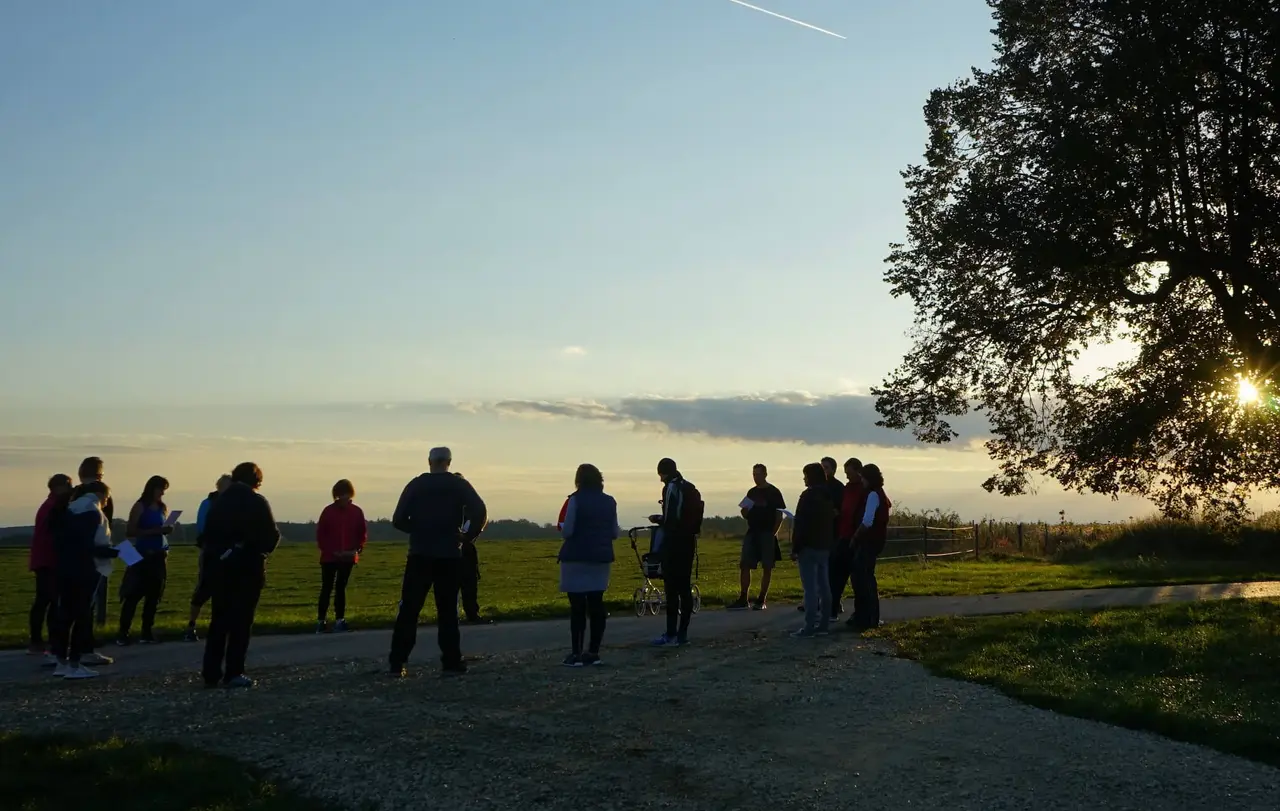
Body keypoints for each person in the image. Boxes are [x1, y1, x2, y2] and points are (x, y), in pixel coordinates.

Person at [388, 447, 489, 677]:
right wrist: (468, 536)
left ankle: (397, 662)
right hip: (449, 554)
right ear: (449, 462)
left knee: (409, 609)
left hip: (420, 554)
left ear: (429, 461)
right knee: (448, 611)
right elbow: (480, 511)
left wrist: (418, 529)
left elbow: (398, 519)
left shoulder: (416, 485)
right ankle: (451, 661)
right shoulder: (459, 485)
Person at [201, 462, 282, 688]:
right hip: (248, 568)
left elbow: (207, 535)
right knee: (242, 622)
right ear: (256, 481)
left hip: (220, 568)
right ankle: (234, 671)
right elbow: (271, 536)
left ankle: (211, 671)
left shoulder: (219, 502)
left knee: (219, 620)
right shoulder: (257, 502)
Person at [49, 481, 119, 679]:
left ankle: (61, 662)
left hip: (64, 567)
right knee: (82, 617)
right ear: (100, 494)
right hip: (86, 569)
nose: (107, 502)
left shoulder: (71, 508)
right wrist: (114, 552)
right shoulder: (92, 511)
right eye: (107, 497)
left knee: (65, 616)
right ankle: (75, 664)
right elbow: (87, 546)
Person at [556, 463, 618, 667]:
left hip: (576, 557)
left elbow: (567, 531)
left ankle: (576, 653)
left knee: (577, 607)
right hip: (600, 558)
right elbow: (614, 532)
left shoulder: (575, 500)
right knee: (596, 604)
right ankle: (593, 652)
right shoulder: (610, 501)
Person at [648, 457, 700, 648]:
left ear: (664, 473)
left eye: (660, 474)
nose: (660, 479)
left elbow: (671, 518)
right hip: (688, 541)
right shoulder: (689, 487)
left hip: (673, 542)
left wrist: (657, 519)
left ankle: (670, 633)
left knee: (671, 589)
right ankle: (682, 634)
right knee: (684, 587)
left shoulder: (671, 488)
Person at [117, 475, 173, 645]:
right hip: (142, 555)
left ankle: (146, 632)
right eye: (160, 489)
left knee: (154, 596)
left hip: (159, 555)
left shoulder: (162, 507)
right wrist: (154, 531)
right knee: (133, 595)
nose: (162, 493)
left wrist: (166, 530)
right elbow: (130, 531)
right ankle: (123, 633)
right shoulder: (140, 506)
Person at [74, 457, 114, 667]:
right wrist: (111, 551)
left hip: (74, 561)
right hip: (92, 562)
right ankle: (83, 651)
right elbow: (93, 539)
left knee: (76, 608)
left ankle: (69, 652)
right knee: (86, 607)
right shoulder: (92, 508)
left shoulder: (74, 498)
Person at [728, 464, 785, 611]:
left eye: (758, 474)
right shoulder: (752, 492)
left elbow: (779, 515)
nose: (755, 477)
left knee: (767, 566)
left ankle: (761, 599)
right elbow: (746, 513)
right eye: (754, 474)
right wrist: (744, 512)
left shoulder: (774, 492)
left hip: (767, 532)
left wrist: (773, 533)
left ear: (765, 474)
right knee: (745, 564)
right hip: (752, 531)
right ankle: (743, 598)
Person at [28, 474, 72, 657]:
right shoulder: (54, 507)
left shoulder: (48, 505)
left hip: (42, 559)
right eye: (68, 486)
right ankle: (46, 641)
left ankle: (38, 640)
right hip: (49, 560)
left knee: (43, 601)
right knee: (51, 602)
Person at [315, 478, 367, 633]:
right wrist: (331, 551)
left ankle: (339, 619)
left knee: (340, 588)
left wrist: (357, 549)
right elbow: (321, 535)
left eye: (346, 494)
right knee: (327, 587)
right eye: (340, 494)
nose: (343, 497)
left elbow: (362, 533)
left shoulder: (356, 512)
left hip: (347, 557)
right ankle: (321, 621)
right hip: (329, 557)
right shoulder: (328, 511)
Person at [186, 474, 232, 642]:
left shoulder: (233, 504)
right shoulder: (208, 503)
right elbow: (202, 527)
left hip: (228, 553)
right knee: (204, 589)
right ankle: (191, 625)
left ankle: (223, 626)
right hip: (211, 552)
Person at [791, 463, 835, 638]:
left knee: (809, 588)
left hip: (808, 546)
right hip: (824, 545)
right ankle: (823, 624)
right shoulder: (828, 495)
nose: (804, 478)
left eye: (805, 475)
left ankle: (809, 625)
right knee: (824, 586)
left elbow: (800, 524)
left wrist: (796, 547)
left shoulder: (807, 496)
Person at [801, 457, 846, 618]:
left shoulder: (837, 488)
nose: (824, 470)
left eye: (826, 467)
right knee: (817, 576)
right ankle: (816, 605)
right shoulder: (818, 489)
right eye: (822, 467)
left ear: (833, 470)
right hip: (818, 535)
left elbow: (840, 510)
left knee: (827, 574)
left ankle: (830, 606)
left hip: (831, 534)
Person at [849, 463, 891, 632]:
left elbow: (867, 521)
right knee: (864, 578)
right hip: (874, 541)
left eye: (863, 478)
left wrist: (855, 537)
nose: (862, 481)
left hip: (868, 541)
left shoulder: (873, 495)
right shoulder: (879, 493)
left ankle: (868, 617)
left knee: (863, 579)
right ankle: (867, 616)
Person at [454, 472, 492, 625]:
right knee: (468, 583)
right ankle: (471, 613)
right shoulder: (473, 506)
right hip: (465, 548)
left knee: (463, 583)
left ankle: (458, 614)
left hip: (458, 548)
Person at [831, 458, 865, 613]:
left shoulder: (864, 491)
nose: (847, 476)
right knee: (837, 574)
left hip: (856, 537)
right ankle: (834, 606)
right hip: (843, 535)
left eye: (849, 473)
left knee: (858, 577)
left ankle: (860, 611)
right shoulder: (847, 489)